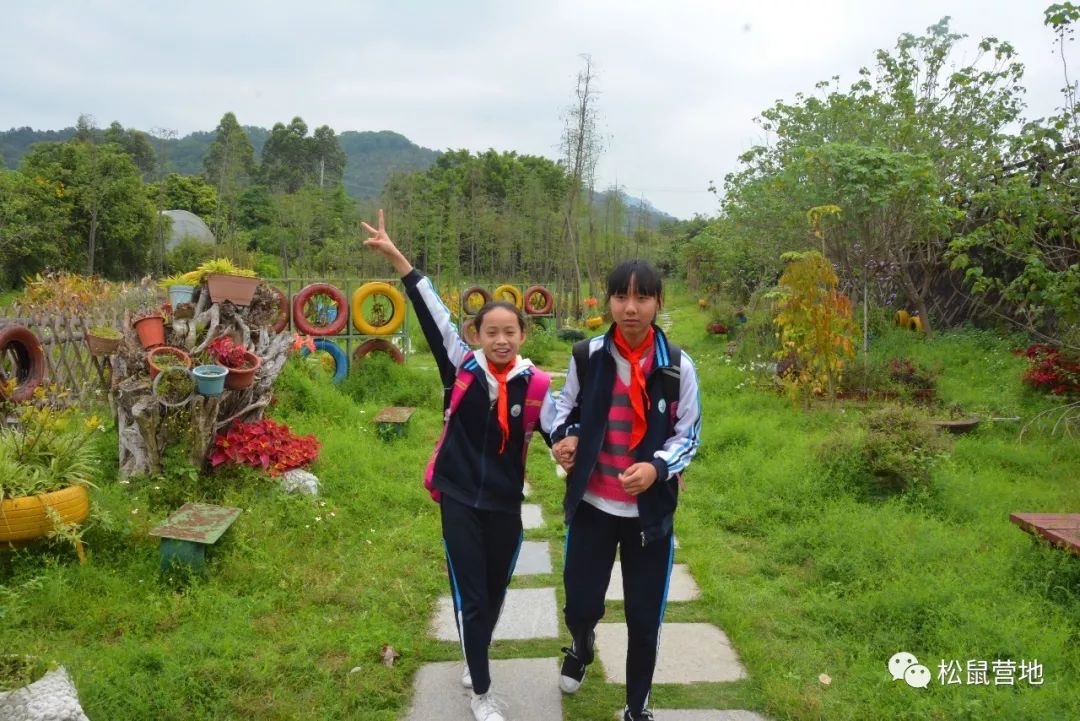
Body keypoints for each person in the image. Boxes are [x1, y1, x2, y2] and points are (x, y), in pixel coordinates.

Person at [362, 210, 554, 721]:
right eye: (490, 331)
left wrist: (571, 448)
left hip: (505, 503)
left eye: (509, 331)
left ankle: (476, 651)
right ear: (477, 334)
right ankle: (483, 693)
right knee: (471, 593)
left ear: (523, 335)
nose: (500, 340)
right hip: (458, 495)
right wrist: (398, 257)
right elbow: (431, 312)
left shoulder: (535, 385)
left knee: (494, 590)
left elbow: (561, 433)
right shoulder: (461, 366)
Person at [549, 259, 702, 721]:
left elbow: (687, 435)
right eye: (621, 297)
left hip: (648, 516)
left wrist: (658, 468)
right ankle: (581, 642)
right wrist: (564, 438)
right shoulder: (587, 356)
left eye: (642, 298)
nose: (630, 308)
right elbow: (563, 409)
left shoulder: (676, 366)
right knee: (581, 601)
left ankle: (638, 704)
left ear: (658, 302)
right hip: (594, 504)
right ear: (609, 300)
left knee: (643, 615)